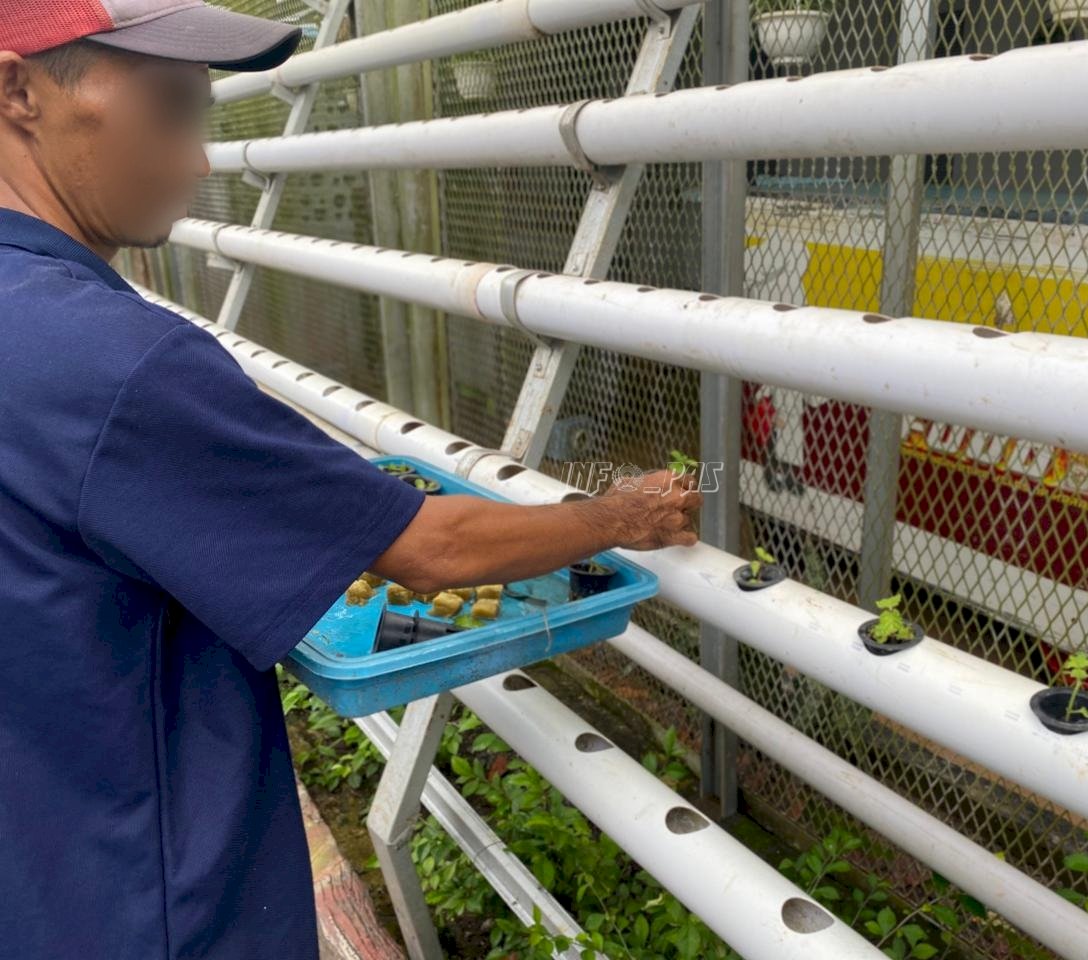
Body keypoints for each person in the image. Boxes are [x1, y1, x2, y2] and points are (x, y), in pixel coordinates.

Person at [0, 3, 702, 958]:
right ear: (17, 91)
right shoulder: (114, 361)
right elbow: (429, 548)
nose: (199, 161)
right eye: (167, 109)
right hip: (153, 906)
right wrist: (618, 513)